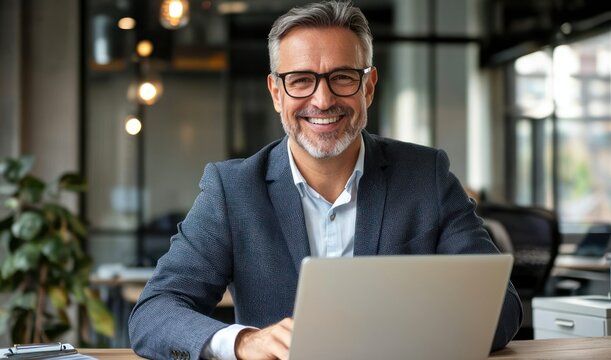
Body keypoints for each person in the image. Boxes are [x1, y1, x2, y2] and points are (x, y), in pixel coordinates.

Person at [128, 1, 523, 359]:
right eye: (300, 80)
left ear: (368, 86)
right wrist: (246, 341)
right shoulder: (232, 191)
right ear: (276, 92)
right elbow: (154, 313)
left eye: (343, 78)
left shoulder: (427, 176)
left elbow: (501, 307)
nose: (322, 100)